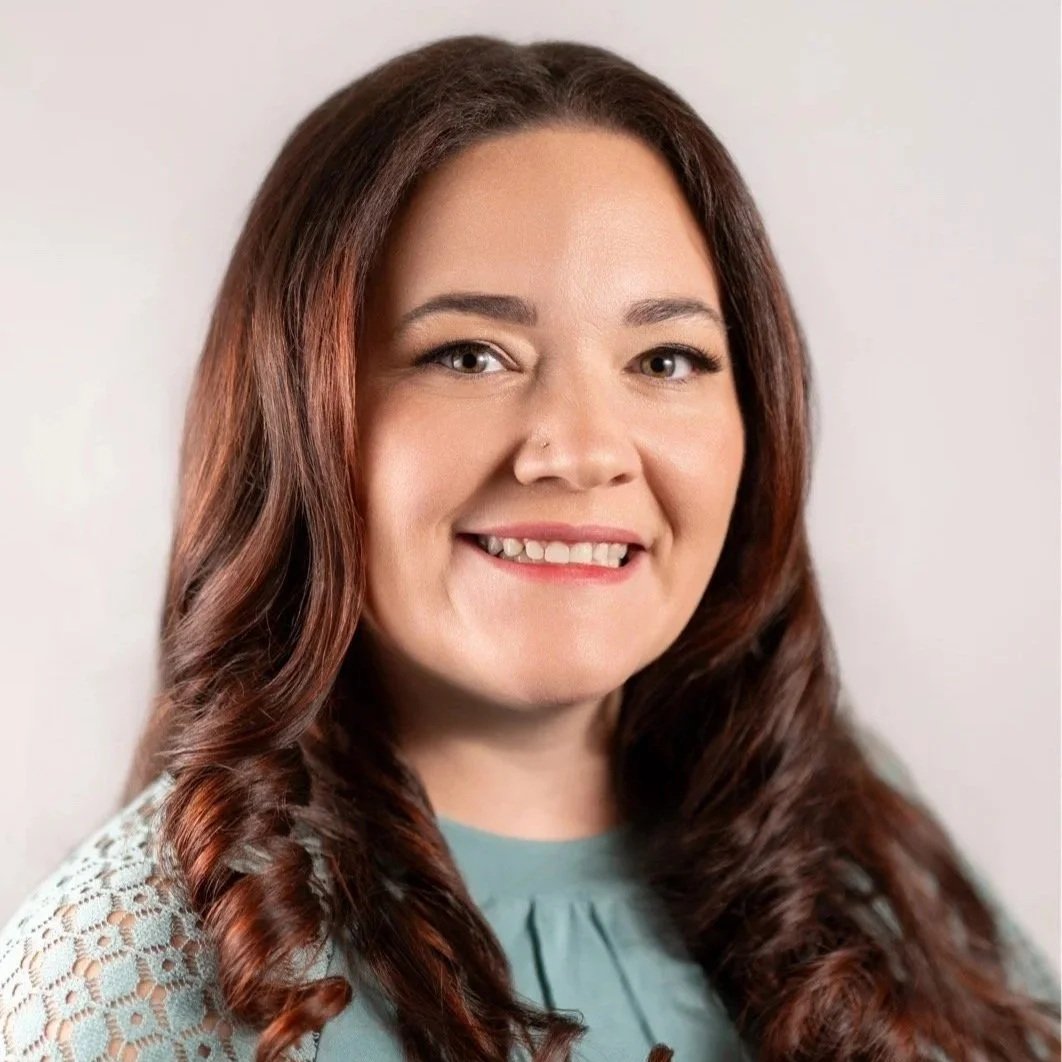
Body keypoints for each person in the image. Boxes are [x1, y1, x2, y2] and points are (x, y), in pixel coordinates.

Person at [0, 33, 1057, 1062]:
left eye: (668, 358)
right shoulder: (137, 977)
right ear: (300, 422)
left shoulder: (846, 843)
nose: (583, 450)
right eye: (469, 354)